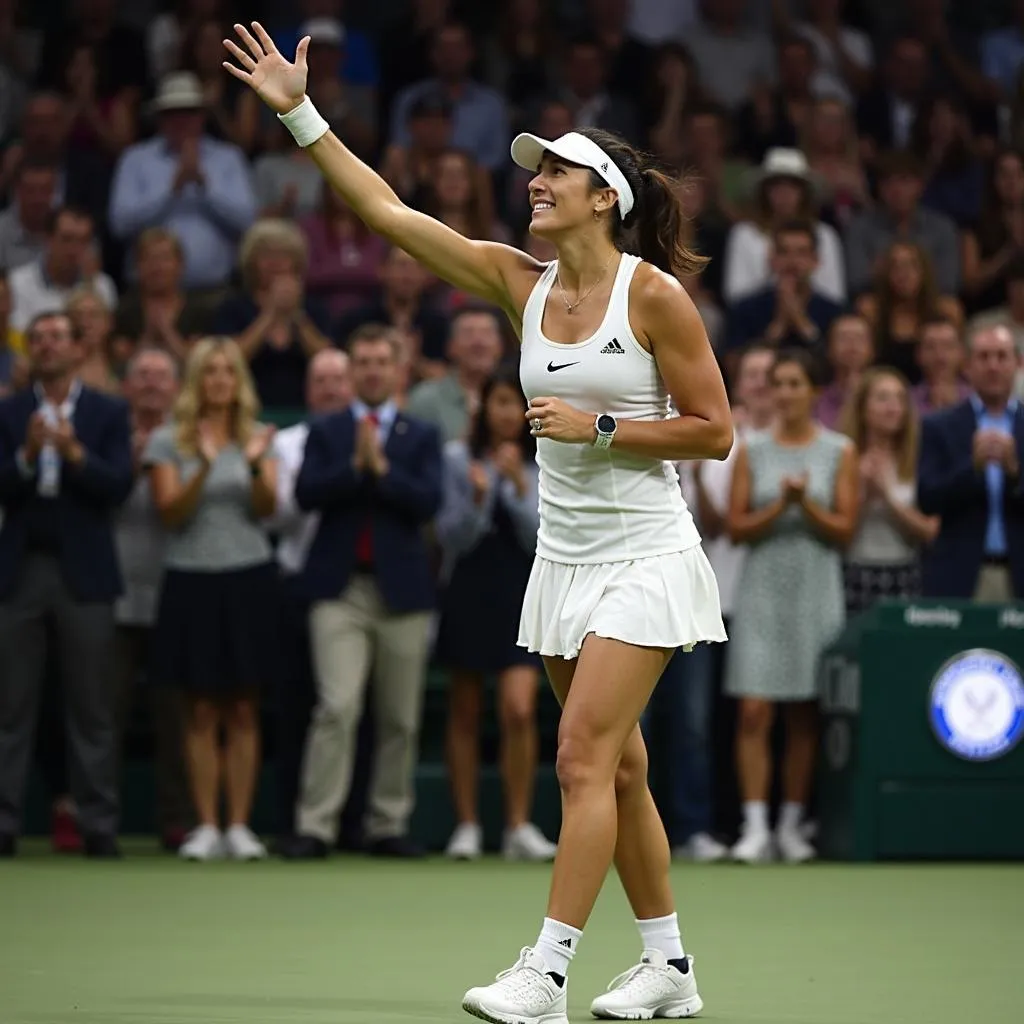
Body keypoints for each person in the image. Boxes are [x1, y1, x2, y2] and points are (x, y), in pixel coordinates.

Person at [224, 23, 731, 1022]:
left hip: (645, 552)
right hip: (566, 555)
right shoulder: (517, 281)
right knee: (617, 767)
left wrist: (605, 427)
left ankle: (544, 971)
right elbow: (383, 210)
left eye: (558, 173)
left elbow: (713, 433)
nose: (536, 181)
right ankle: (670, 966)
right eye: (536, 170)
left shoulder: (656, 296)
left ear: (606, 200)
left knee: (581, 758)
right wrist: (296, 110)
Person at [0, 311, 133, 858]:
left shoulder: (107, 411)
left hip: (86, 570)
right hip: (21, 568)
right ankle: (5, 824)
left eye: (59, 337)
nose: (49, 346)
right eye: (40, 339)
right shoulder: (9, 413)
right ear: (29, 351)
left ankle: (97, 824)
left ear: (78, 349)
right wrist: (28, 457)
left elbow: (119, 486)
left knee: (92, 707)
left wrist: (75, 454)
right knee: (10, 706)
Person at [145, 337, 279, 862]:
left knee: (243, 708)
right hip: (191, 578)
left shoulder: (257, 437)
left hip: (248, 576)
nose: (220, 380)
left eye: (228, 371)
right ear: (197, 380)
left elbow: (267, 508)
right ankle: (205, 825)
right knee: (200, 709)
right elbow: (168, 513)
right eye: (210, 371)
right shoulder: (168, 440)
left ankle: (239, 826)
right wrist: (201, 466)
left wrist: (248, 464)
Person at [725, 349, 858, 864]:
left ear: (814, 391)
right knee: (754, 711)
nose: (784, 392)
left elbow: (845, 530)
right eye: (778, 383)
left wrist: (808, 506)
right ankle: (754, 827)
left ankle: (791, 827)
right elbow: (736, 528)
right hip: (761, 590)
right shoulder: (751, 450)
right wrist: (783, 505)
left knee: (805, 711)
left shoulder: (839, 451)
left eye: (795, 383)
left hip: (815, 589)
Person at [435, 363, 556, 863]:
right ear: (485, 407)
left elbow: (542, 538)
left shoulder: (548, 460)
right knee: (464, 708)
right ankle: (466, 826)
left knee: (519, 709)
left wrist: (519, 489)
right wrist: (481, 498)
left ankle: (517, 825)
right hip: (470, 586)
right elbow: (451, 537)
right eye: (500, 401)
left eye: (517, 402)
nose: (508, 413)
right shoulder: (456, 458)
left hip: (523, 589)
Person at [918, 325, 1024, 601]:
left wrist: (1015, 473)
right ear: (967, 365)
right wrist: (971, 468)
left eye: (1002, 356)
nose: (993, 366)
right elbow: (927, 499)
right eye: (984, 357)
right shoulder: (939, 425)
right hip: (959, 578)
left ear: (1018, 363)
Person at [839, 367, 937, 616]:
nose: (893, 407)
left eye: (899, 399)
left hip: (904, 573)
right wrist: (864, 495)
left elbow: (929, 531)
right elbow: (838, 534)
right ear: (862, 408)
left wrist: (887, 498)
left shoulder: (920, 458)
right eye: (882, 398)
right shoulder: (844, 458)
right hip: (854, 572)